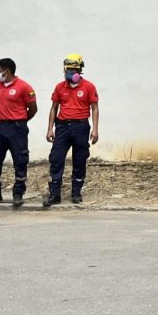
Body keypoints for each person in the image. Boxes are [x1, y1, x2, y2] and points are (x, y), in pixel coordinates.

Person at [44, 54, 99, 206]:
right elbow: (54, 108)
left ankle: (76, 193)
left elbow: (94, 108)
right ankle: (54, 194)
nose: (70, 73)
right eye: (67, 69)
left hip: (81, 126)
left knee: (80, 159)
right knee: (56, 158)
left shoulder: (89, 87)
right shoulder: (60, 87)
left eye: (73, 70)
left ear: (79, 70)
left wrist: (95, 129)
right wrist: (50, 129)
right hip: (62, 126)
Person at [0, 58, 37, 208]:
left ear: (6, 71)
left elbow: (33, 108)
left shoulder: (24, 87)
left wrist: (20, 121)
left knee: (20, 159)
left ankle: (18, 192)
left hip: (17, 128)